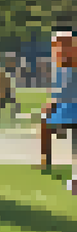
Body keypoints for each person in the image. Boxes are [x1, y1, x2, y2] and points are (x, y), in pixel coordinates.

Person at [39, 32, 77, 195]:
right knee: (43, 121)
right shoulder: (59, 68)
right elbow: (57, 92)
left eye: (62, 45)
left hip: (73, 109)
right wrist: (50, 104)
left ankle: (75, 176)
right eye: (56, 46)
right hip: (63, 109)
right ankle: (45, 160)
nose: (58, 50)